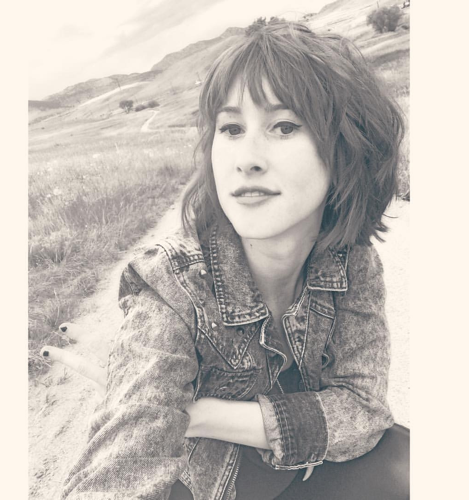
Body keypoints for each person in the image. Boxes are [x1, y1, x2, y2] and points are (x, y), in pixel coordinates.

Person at [42, 21, 409, 499]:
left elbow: (364, 409)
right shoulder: (172, 286)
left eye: (284, 126)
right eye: (231, 128)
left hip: (304, 470)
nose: (246, 159)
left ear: (347, 148)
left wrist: (200, 416)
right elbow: (121, 466)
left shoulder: (351, 262)